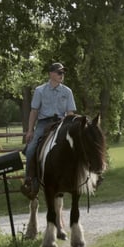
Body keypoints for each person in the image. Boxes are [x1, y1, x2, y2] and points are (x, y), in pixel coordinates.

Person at [21, 62, 76, 198]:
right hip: (44, 123)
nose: (62, 75)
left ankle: (76, 178)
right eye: (59, 72)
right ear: (51, 74)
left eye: (63, 73)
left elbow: (70, 113)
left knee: (76, 145)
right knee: (31, 148)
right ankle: (30, 181)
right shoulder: (40, 90)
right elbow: (34, 111)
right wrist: (30, 130)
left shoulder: (67, 91)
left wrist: (69, 127)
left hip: (61, 122)